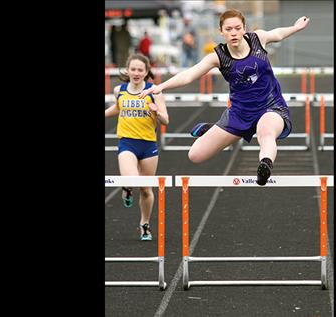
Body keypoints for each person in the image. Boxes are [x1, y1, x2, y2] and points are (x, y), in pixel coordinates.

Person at [139, 9, 310, 186]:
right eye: (229, 29)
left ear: (244, 28)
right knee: (195, 155)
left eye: (237, 28)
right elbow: (189, 75)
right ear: (221, 31)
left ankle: (265, 165)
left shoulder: (257, 39)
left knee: (265, 132)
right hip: (239, 113)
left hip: (270, 106)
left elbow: (278, 34)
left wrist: (296, 27)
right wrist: (161, 87)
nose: (234, 33)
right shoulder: (218, 57)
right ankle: (213, 128)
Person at [105, 53, 169, 241]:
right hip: (127, 143)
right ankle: (127, 186)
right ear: (128, 70)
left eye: (140, 70)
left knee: (146, 189)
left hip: (148, 145)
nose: (136, 73)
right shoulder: (120, 90)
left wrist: (157, 113)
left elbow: (166, 119)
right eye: (133, 69)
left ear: (146, 72)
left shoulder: (154, 92)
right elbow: (118, 108)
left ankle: (145, 224)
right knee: (131, 178)